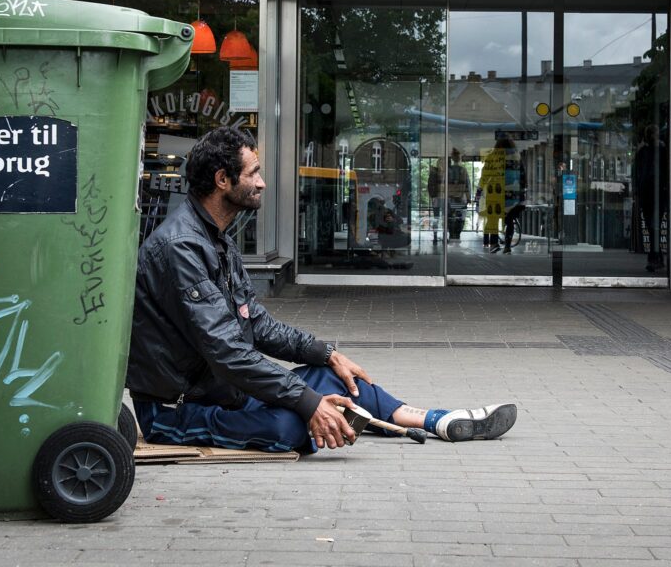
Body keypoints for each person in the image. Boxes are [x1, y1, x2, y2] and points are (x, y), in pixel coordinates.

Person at [127, 127, 517, 453]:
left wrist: (326, 353)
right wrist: (306, 402)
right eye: (254, 173)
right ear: (222, 180)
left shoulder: (216, 238)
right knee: (289, 427)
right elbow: (227, 351)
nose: (262, 182)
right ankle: (336, 420)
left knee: (336, 377)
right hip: (178, 409)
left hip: (227, 391)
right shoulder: (180, 247)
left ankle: (434, 420)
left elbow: (257, 326)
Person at [475, 136, 526, 254]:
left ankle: (494, 244)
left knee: (492, 220)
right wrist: (522, 192)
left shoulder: (492, 157)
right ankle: (507, 245)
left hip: (495, 193)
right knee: (509, 221)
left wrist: (479, 191)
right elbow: (522, 176)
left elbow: (484, 176)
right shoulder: (516, 157)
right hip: (512, 194)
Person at [634, 124, 668, 272]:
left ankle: (654, 258)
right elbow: (638, 172)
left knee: (653, 226)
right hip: (649, 193)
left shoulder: (659, 151)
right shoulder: (646, 152)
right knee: (652, 226)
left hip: (656, 192)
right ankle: (657, 257)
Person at [446, 148, 471, 241]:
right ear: (459, 158)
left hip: (450, 198)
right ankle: (457, 234)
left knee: (450, 217)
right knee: (460, 217)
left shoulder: (448, 170)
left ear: (452, 158)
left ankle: (451, 234)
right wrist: (468, 198)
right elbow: (467, 185)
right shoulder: (463, 170)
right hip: (461, 197)